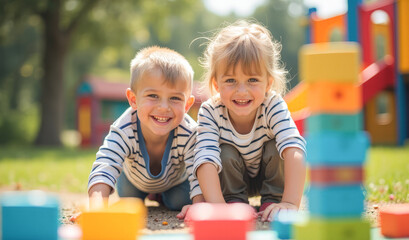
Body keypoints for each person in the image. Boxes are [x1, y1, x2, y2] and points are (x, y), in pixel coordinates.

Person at [187, 20, 306, 222]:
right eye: (231, 80)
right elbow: (205, 158)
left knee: (278, 146)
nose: (242, 91)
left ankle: (273, 199)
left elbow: (294, 148)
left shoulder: (273, 105)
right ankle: (234, 202)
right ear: (216, 84)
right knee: (224, 152)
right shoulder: (210, 111)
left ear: (268, 82)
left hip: (268, 176)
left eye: (252, 80)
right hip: (231, 181)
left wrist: (290, 202)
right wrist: (218, 208)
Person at [87, 46, 203, 211]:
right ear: (133, 99)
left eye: (175, 98)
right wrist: (96, 210)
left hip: (174, 182)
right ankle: (147, 194)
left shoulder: (190, 132)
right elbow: (105, 165)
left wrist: (199, 206)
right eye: (153, 96)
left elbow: (198, 171)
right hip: (133, 182)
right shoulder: (124, 129)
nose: (164, 107)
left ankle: (160, 196)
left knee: (181, 201)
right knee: (130, 202)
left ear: (187, 105)